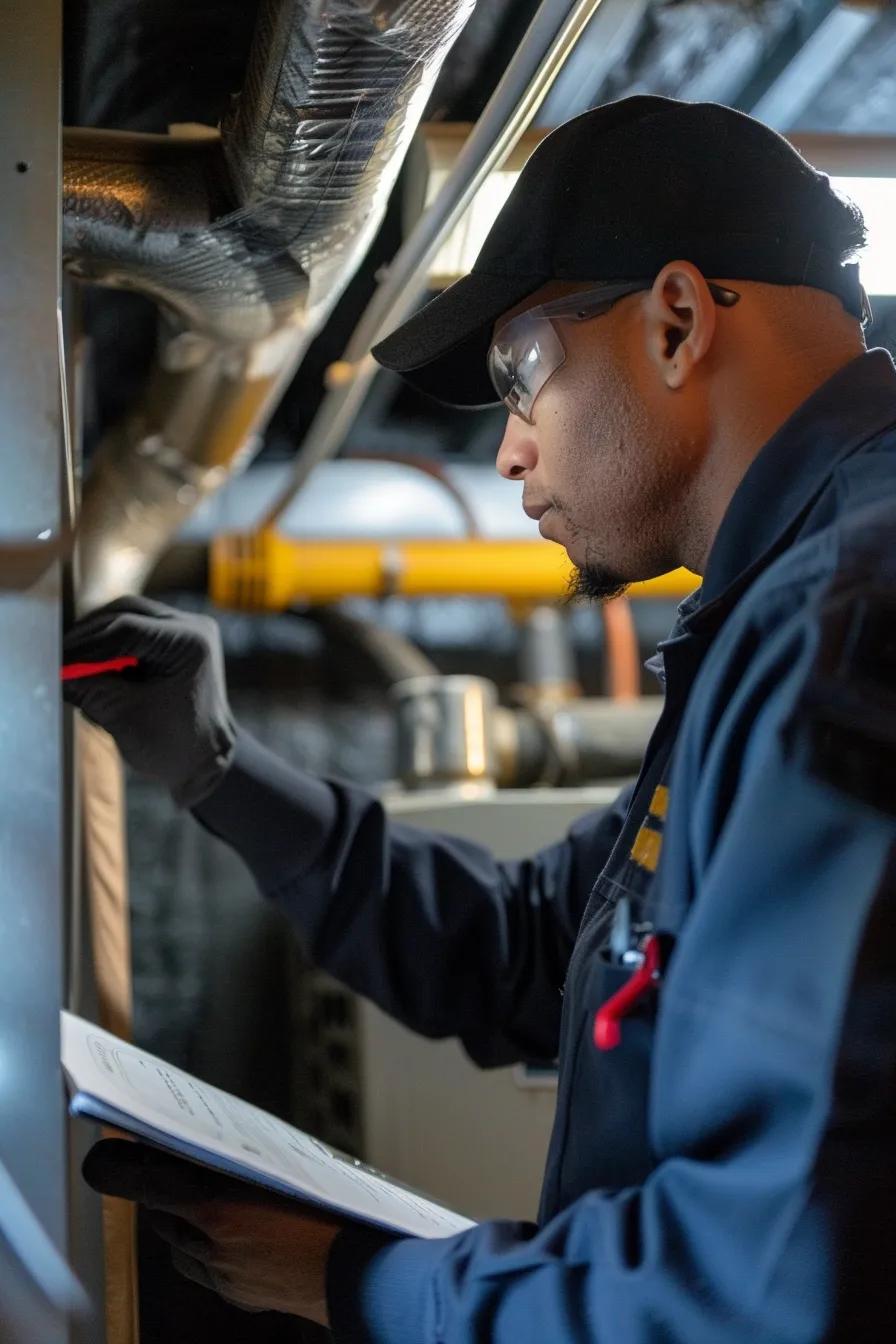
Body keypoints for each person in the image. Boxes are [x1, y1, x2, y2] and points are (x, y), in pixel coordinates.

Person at [64, 96, 896, 1342]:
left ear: (674, 321)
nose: (508, 452)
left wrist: (369, 1286)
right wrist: (213, 764)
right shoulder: (779, 613)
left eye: (519, 373)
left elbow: (758, 1284)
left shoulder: (843, 621)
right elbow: (532, 952)